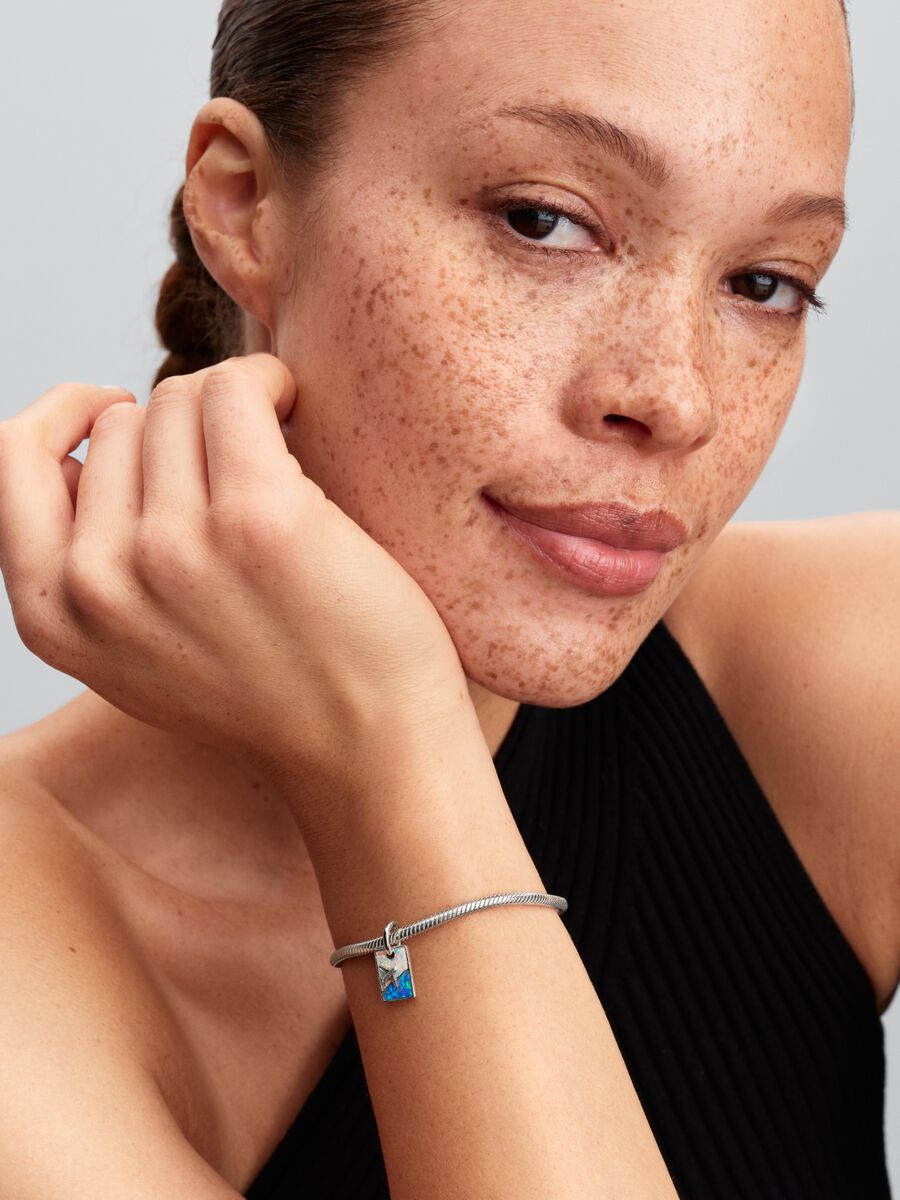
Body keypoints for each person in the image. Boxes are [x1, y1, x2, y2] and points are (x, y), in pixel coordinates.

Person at [0, 0, 896, 1196]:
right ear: (244, 205)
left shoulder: (846, 673)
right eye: (545, 221)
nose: (676, 398)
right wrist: (388, 751)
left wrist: (389, 757)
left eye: (767, 283)